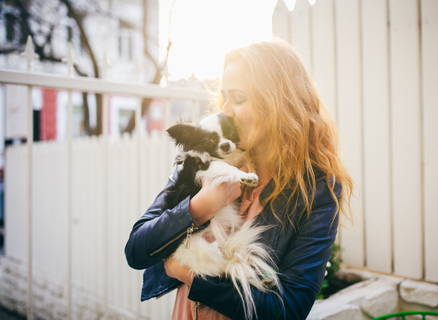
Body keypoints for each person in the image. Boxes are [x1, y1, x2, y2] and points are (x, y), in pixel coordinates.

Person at [125, 40, 353, 320]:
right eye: (224, 97)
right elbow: (136, 250)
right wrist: (198, 208)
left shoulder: (317, 189)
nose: (225, 110)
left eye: (239, 98)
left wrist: (189, 275)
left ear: (278, 104)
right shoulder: (201, 161)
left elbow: (289, 310)